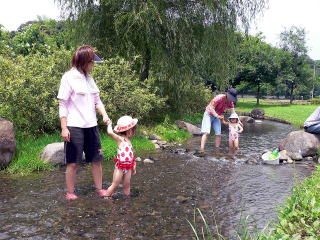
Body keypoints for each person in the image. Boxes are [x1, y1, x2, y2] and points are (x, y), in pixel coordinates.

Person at [57, 45, 111, 200]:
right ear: (83, 61)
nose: (93, 65)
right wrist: (64, 127)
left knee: (96, 160)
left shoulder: (89, 78)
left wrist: (104, 115)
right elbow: (63, 103)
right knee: (73, 162)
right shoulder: (68, 77)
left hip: (91, 125)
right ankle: (70, 192)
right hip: (74, 126)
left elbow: (97, 100)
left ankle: (99, 189)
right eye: (91, 62)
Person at [105, 115, 138, 197]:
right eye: (133, 130)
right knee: (115, 185)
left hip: (129, 167)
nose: (134, 133)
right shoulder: (120, 139)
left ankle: (127, 200)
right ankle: (106, 197)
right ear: (130, 130)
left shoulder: (129, 141)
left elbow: (131, 156)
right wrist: (109, 124)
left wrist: (134, 166)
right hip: (120, 167)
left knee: (127, 185)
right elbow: (110, 132)